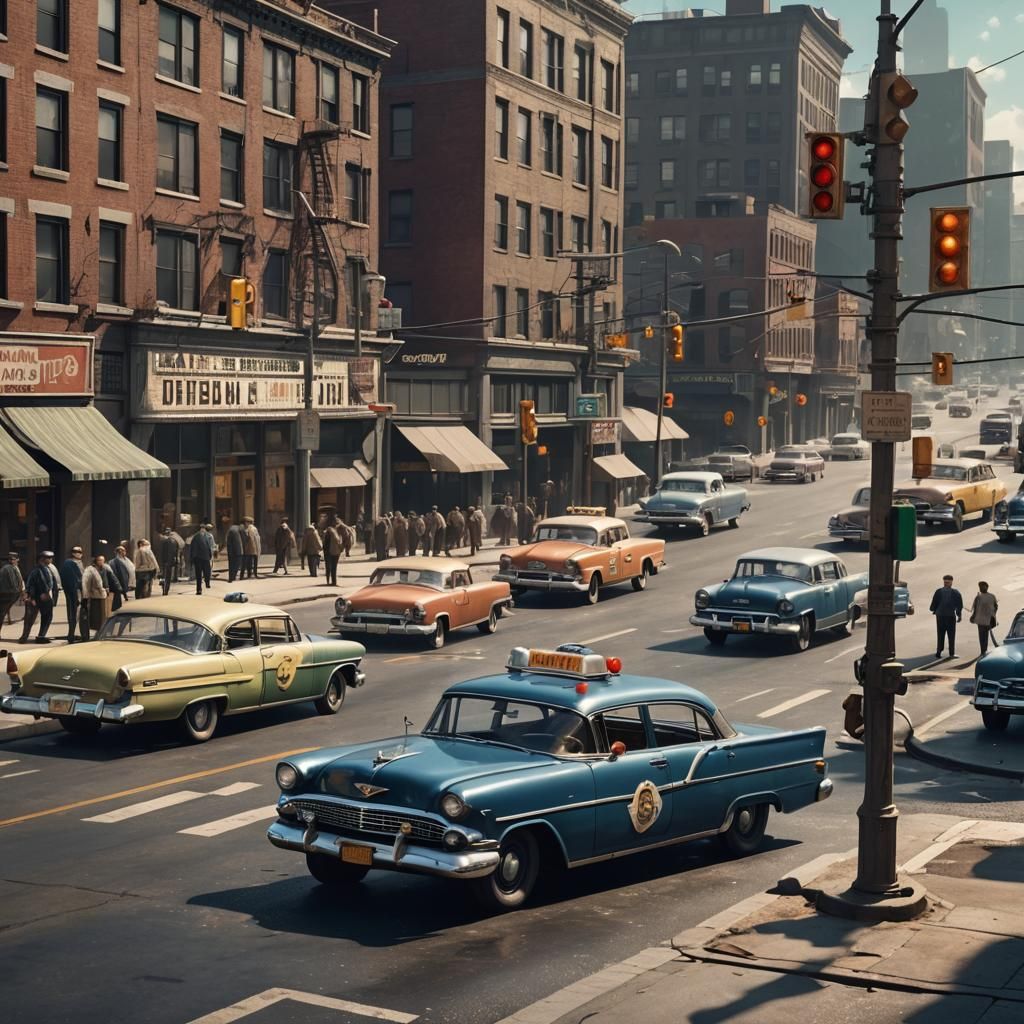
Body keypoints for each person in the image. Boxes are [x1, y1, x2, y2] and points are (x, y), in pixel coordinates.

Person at [19, 552, 57, 643]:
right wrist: (32, 598)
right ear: (41, 559)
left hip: (47, 597)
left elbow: (52, 583)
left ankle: (41, 636)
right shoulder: (36, 571)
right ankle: (24, 637)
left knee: (47, 617)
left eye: (51, 557)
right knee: (30, 619)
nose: (51, 559)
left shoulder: (49, 569)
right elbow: (30, 585)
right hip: (36, 598)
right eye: (48, 558)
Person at [930, 574, 963, 659]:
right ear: (952, 582)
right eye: (946, 582)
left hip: (940, 615)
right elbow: (959, 605)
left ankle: (938, 652)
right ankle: (951, 653)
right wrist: (959, 615)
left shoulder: (938, 591)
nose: (946, 583)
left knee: (940, 634)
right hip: (950, 616)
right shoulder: (955, 592)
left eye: (946, 582)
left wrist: (934, 609)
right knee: (951, 635)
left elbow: (933, 604)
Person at [60, 546, 86, 642]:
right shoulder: (69, 563)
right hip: (74, 591)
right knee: (73, 614)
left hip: (81, 591)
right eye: (76, 551)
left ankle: (75, 634)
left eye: (80, 551)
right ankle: (71, 634)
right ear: (72, 553)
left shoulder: (80, 563)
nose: (78, 553)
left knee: (78, 614)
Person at [0, 552, 25, 641]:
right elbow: (13, 583)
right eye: (10, 559)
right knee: (2, 614)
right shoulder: (8, 568)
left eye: (13, 559)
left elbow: (19, 580)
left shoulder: (15, 567)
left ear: (17, 559)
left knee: (3, 613)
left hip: (11, 594)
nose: (11, 561)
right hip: (7, 594)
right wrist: (18, 592)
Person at [970, 581, 999, 656]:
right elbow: (975, 608)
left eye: (983, 587)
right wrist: (973, 616)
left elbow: (995, 607)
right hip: (981, 620)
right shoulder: (979, 597)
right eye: (980, 587)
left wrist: (993, 615)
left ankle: (984, 651)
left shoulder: (990, 596)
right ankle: (983, 651)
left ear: (987, 587)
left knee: (984, 636)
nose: (981, 588)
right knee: (983, 636)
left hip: (988, 620)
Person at [190, 523, 216, 594]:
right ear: (200, 529)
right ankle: (199, 589)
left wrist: (210, 555)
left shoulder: (206, 536)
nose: (203, 530)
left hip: (206, 557)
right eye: (202, 528)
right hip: (198, 558)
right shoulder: (196, 537)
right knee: (199, 574)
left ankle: (207, 582)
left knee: (207, 572)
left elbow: (209, 547)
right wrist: (193, 558)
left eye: (204, 528)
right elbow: (193, 548)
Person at [110, 545, 135, 610]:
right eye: (122, 551)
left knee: (124, 591)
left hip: (127, 579)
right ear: (118, 552)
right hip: (120, 579)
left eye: (124, 550)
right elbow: (115, 572)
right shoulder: (114, 561)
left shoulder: (126, 559)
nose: (124, 552)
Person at [158, 528, 178, 596]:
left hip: (164, 561)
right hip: (170, 561)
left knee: (163, 575)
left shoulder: (162, 541)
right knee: (168, 576)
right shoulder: (174, 541)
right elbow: (175, 552)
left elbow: (160, 552)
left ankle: (164, 588)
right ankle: (166, 590)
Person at [323, 521, 343, 586]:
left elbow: (325, 544)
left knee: (329, 567)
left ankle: (329, 581)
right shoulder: (335, 533)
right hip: (335, 552)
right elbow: (339, 543)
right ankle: (333, 581)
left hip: (329, 552)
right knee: (334, 567)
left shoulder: (328, 533)